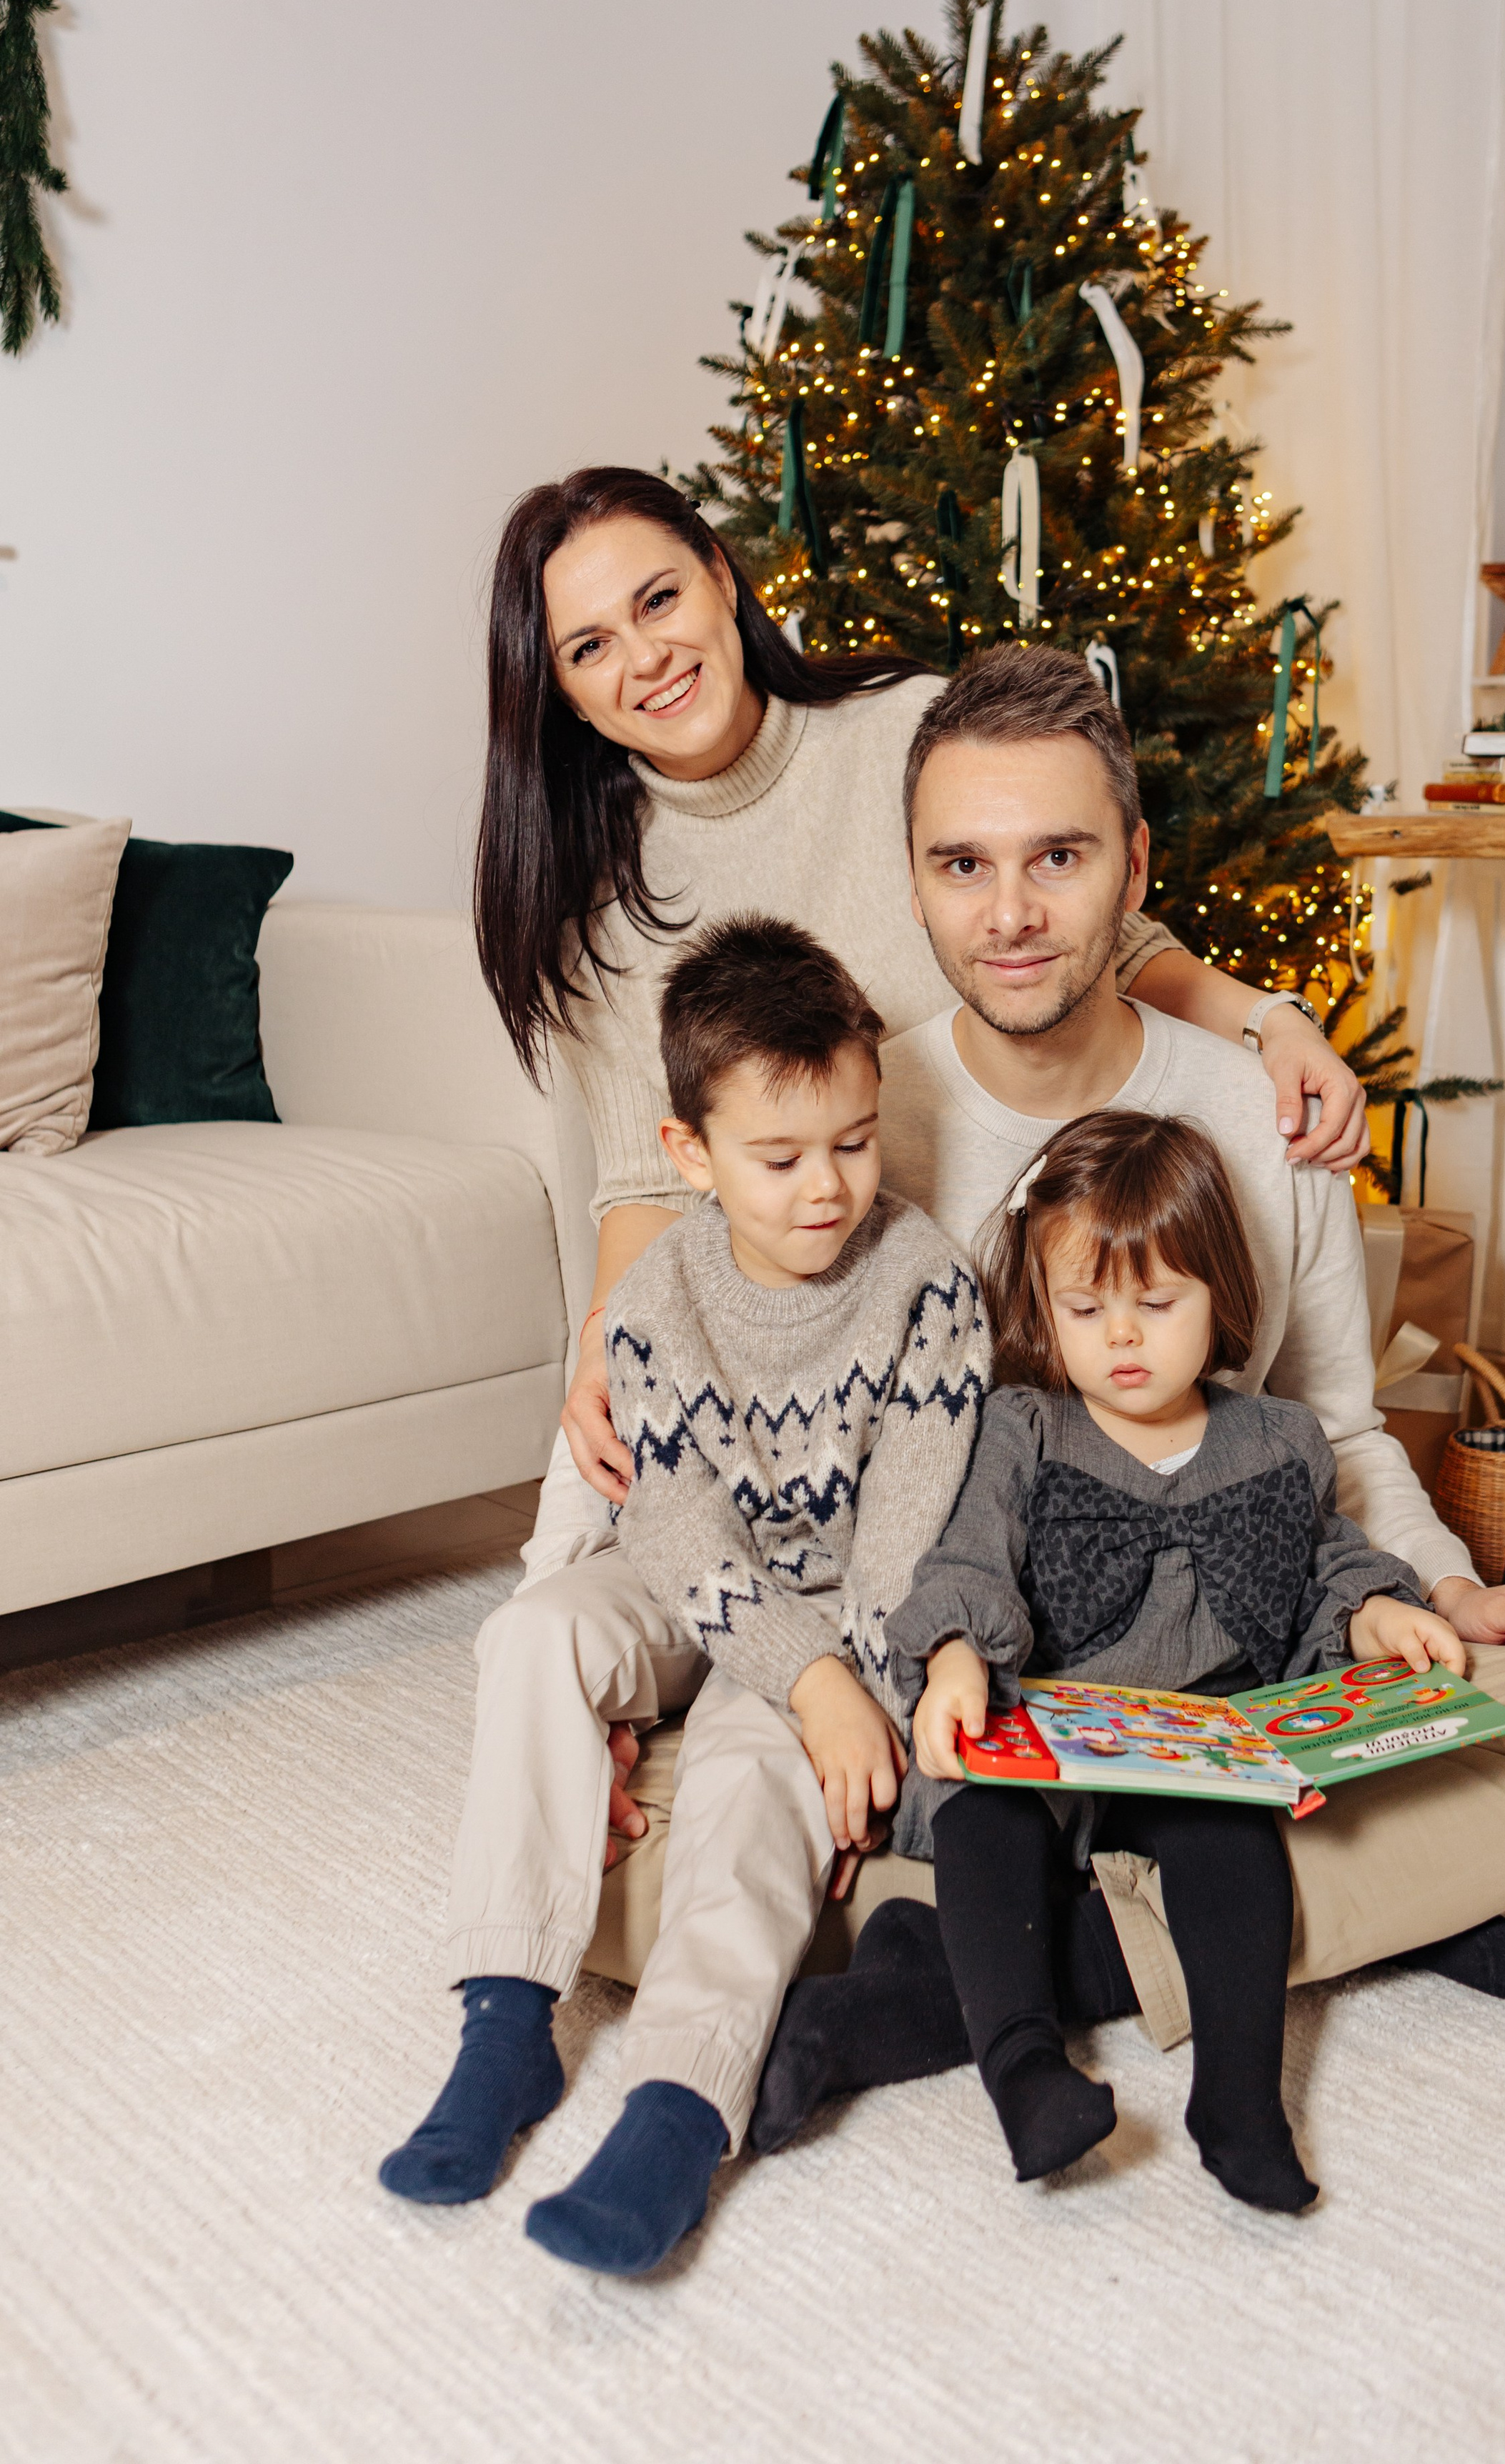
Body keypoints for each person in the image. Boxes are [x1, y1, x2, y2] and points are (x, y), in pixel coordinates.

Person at [745, 646, 1505, 2149]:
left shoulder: (1250, 1106)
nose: (1011, 913)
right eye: (961, 865)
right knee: (701, 1855)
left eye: (1059, 855)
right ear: (910, 883)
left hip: (1227, 1691)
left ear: (1135, 869)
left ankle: (948, 1990)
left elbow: (1331, 1423)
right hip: (972, 1696)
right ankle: (1344, 1919)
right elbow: (746, 1428)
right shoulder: (861, 1122)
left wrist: (1445, 1587)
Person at [472, 464, 1371, 1575]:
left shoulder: (906, 726)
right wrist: (610, 1345)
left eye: (658, 600)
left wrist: (1270, 1023)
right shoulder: (594, 899)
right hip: (812, 1287)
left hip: (1016, 1227)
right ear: (561, 690)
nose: (645, 657)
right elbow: (652, 1182)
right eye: (589, 645)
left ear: (720, 574)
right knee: (614, 1473)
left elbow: (1092, 937)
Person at [380, 918, 988, 2275]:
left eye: (853, 1138)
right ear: (692, 1154)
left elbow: (907, 1533)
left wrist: (835, 1687)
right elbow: (671, 1526)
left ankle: (677, 2105)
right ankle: (506, 2027)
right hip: (683, 1583)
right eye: (780, 1157)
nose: (826, 1185)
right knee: (535, 1632)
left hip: (839, 1605)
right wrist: (808, 1676)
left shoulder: (929, 1288)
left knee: (745, 1769)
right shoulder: (655, 1299)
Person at [889, 1108, 1462, 2212]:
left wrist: (1384, 1616)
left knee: (1234, 1843)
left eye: (1158, 1304)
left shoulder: (1278, 1439)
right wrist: (957, 1656)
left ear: (1221, 1299)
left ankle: (1239, 2100)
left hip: (1199, 1735)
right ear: (1043, 1309)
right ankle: (1024, 2070)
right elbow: (968, 1557)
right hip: (1048, 1722)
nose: (1122, 1337)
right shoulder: (1027, 1425)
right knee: (983, 1814)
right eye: (1086, 1307)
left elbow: (1326, 1564)